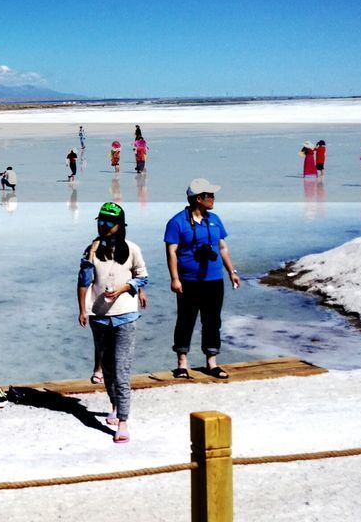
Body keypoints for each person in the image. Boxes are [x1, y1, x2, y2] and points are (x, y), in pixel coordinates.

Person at [77, 201, 149, 444]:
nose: (103, 225)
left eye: (109, 222)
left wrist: (125, 289)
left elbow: (142, 277)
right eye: (100, 220)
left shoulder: (132, 249)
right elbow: (84, 281)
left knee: (121, 369)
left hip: (126, 316)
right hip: (98, 316)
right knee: (107, 368)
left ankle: (124, 421)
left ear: (119, 226)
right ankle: (115, 405)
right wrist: (82, 310)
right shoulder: (91, 249)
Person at [164, 178, 242, 379]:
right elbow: (171, 252)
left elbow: (222, 248)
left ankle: (211, 362)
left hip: (214, 279)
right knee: (185, 320)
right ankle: (182, 363)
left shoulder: (215, 219)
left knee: (212, 320)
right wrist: (175, 278)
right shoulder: (177, 222)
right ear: (199, 198)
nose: (214, 199)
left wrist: (232, 272)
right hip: (188, 280)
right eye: (211, 195)